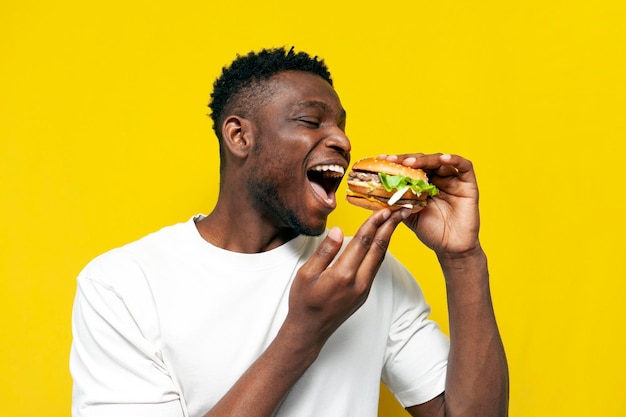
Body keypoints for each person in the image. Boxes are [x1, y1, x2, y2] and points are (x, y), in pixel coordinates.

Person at [70, 46, 509, 417]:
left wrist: (462, 257)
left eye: (341, 123)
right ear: (239, 136)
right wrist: (306, 330)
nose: (341, 139)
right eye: (311, 121)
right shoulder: (122, 285)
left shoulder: (364, 272)